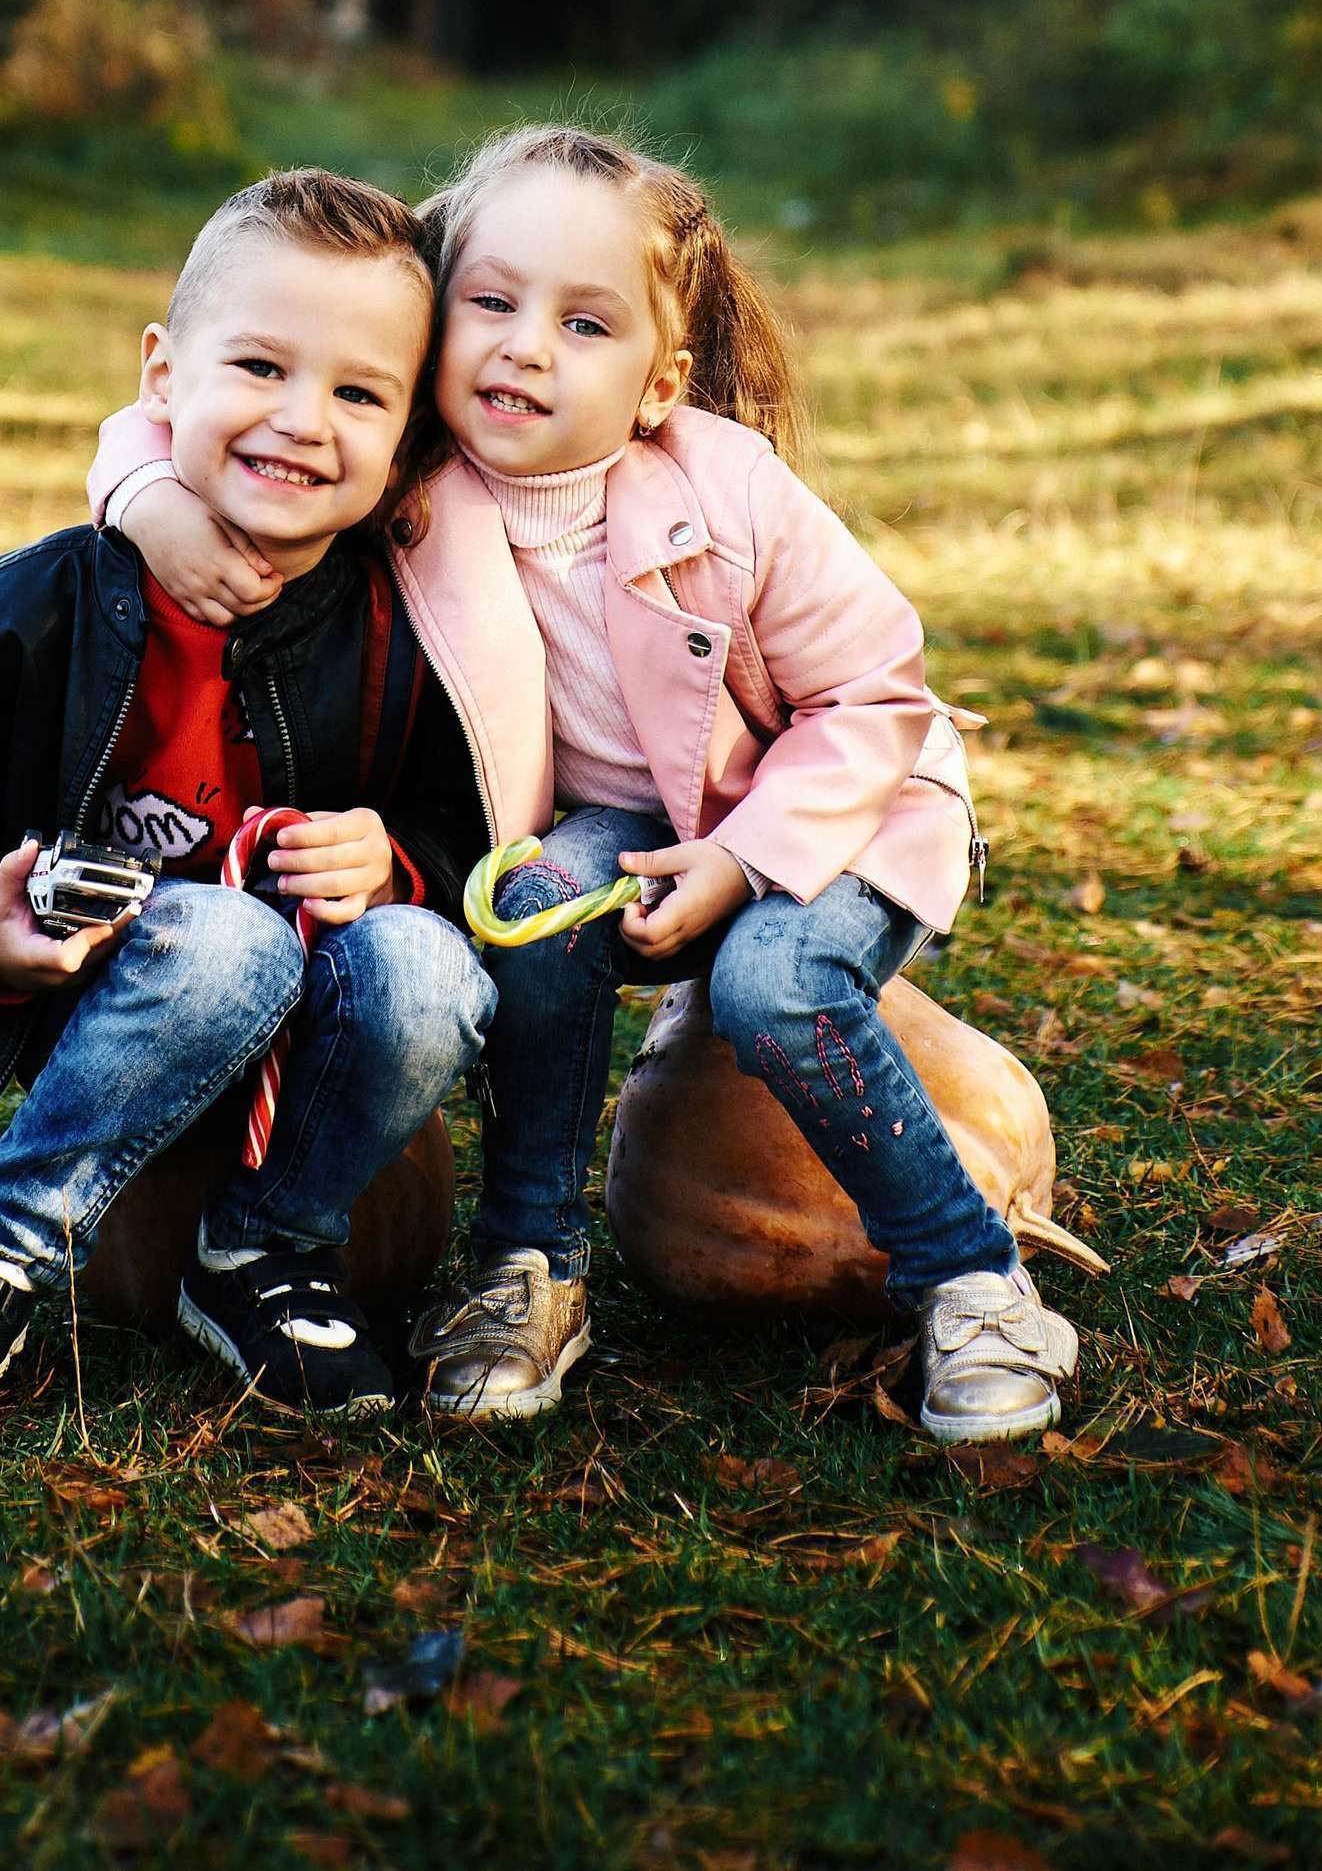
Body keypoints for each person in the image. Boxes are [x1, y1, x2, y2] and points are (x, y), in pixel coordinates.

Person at [91, 125, 1079, 1446]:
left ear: (659, 381)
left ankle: (972, 1279)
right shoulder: (411, 480)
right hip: (631, 821)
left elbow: (875, 696)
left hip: (831, 805)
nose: (524, 349)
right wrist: (147, 499)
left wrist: (744, 859)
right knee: (531, 912)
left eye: (583, 324)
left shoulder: (729, 492)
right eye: (491, 303)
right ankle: (530, 1262)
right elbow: (180, 405)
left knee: (772, 985)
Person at [0, 170, 491, 1440]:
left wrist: (393, 859)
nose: (301, 420)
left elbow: (466, 832)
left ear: (408, 430)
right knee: (223, 937)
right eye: (259, 366)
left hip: (308, 1051)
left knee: (427, 964)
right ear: (160, 374)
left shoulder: (408, 628)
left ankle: (265, 1245)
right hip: (100, 1011)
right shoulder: (31, 602)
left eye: (358, 393)